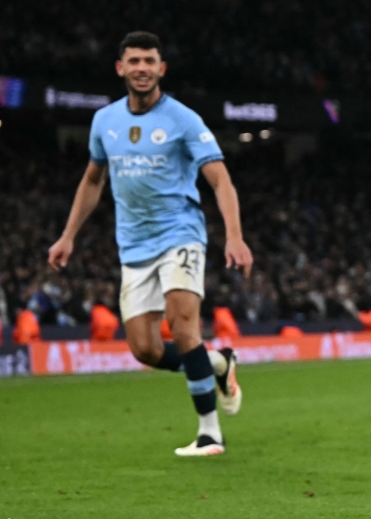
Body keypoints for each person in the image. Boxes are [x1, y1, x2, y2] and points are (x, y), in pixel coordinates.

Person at [48, 31, 253, 457]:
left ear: (162, 69)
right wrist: (68, 235)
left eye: (149, 61)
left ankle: (210, 433)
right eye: (134, 61)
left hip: (180, 233)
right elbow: (93, 180)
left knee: (183, 324)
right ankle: (217, 363)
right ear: (120, 68)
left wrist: (234, 235)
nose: (142, 68)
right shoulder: (104, 121)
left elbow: (220, 179)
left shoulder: (183, 119)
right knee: (145, 349)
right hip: (134, 246)